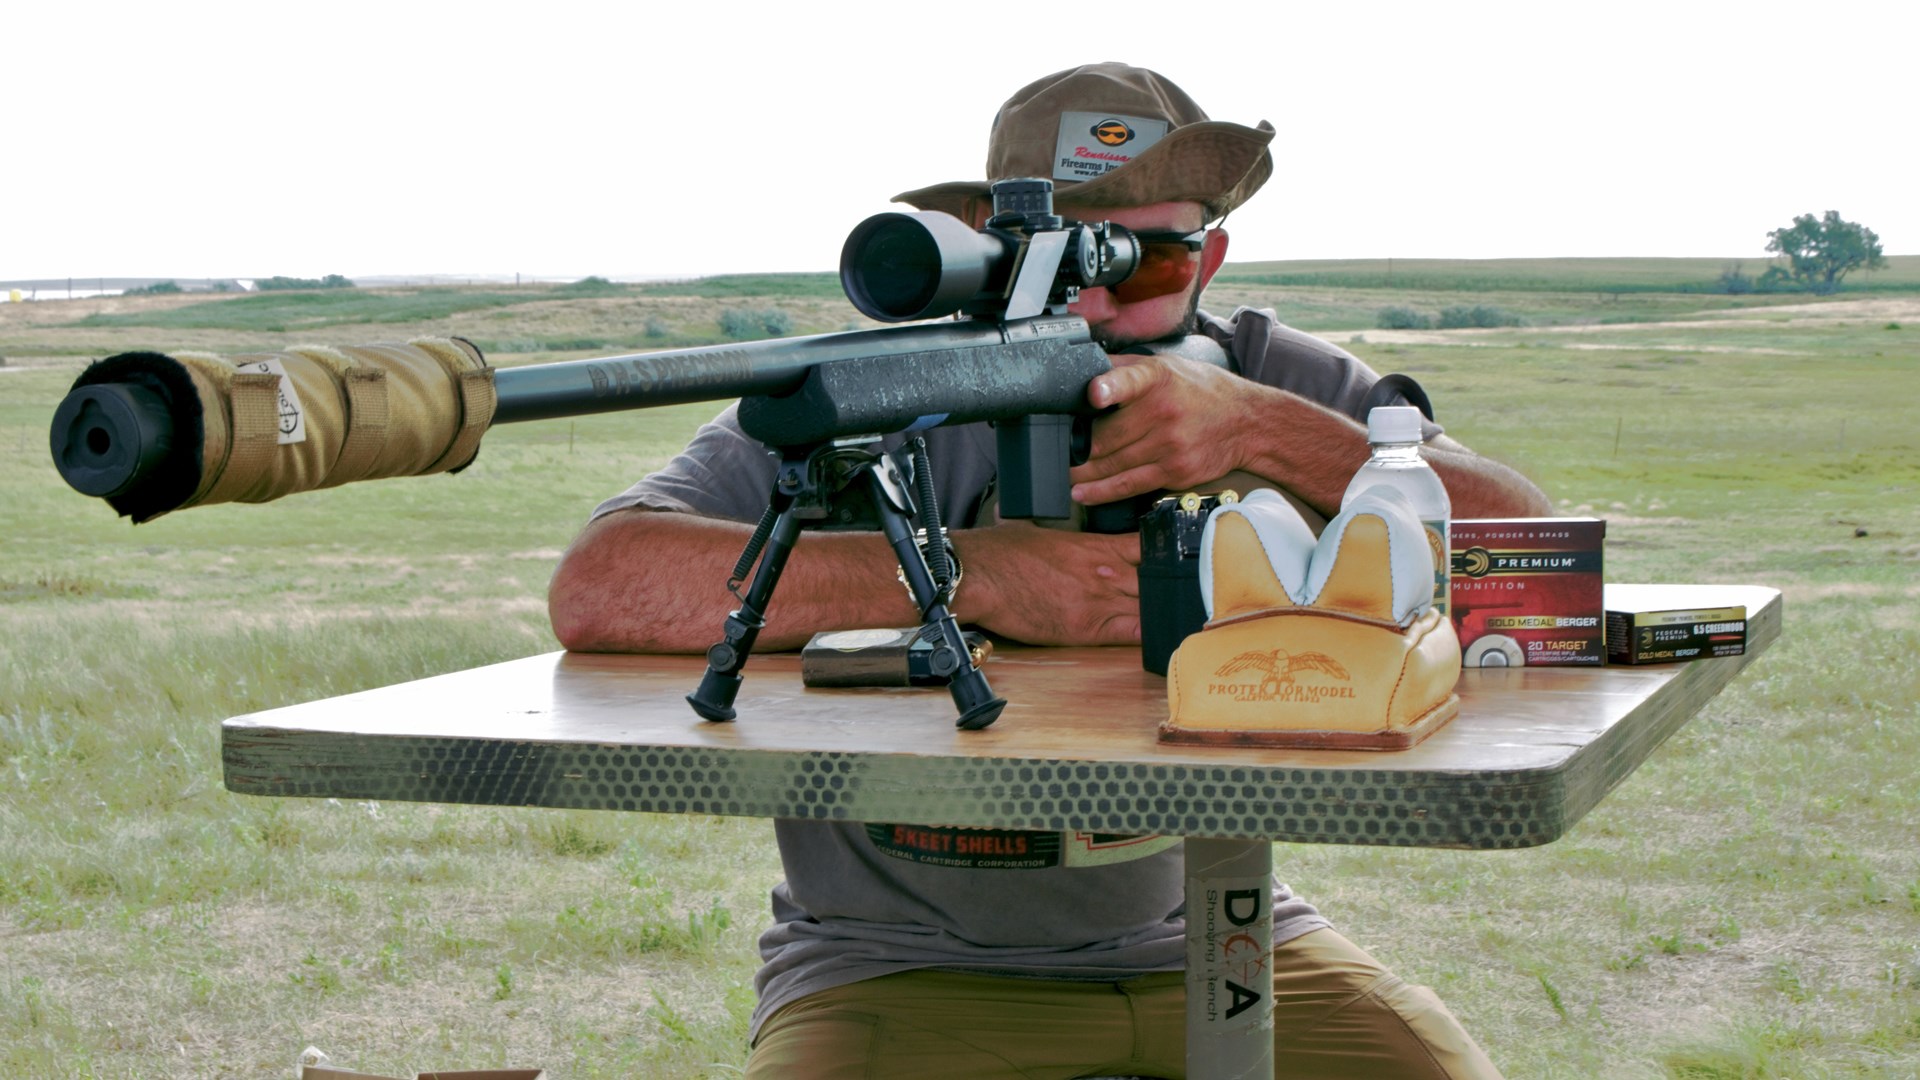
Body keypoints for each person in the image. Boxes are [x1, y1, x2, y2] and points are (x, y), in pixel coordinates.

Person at [549, 63, 1550, 1079]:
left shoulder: (1265, 374)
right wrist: (969, 575)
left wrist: (1266, 429)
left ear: (1212, 259)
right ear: (985, 250)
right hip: (893, 964)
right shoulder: (886, 381)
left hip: (1227, 928)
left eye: (1148, 261)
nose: (1101, 296)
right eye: (1056, 262)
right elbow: (603, 584)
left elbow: (1536, 551)